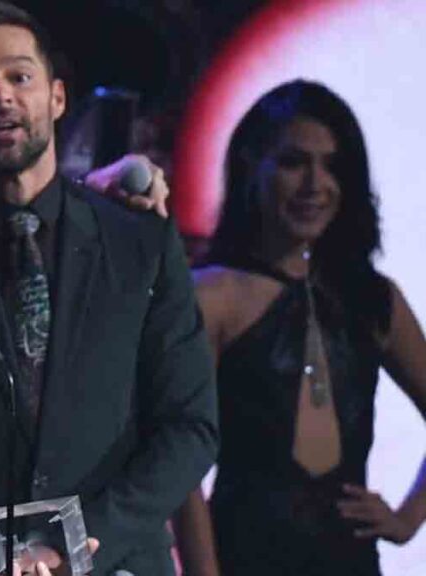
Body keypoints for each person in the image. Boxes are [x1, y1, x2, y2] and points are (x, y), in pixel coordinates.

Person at [0, 2, 218, 574]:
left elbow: (190, 428)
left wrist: (75, 541)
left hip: (117, 561)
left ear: (57, 97)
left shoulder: (139, 242)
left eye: (20, 76)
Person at [172, 80, 426, 576]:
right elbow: (181, 468)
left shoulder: (374, 300)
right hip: (243, 558)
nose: (315, 185)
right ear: (251, 164)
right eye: (294, 162)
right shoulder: (212, 296)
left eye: (333, 166)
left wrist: (406, 519)